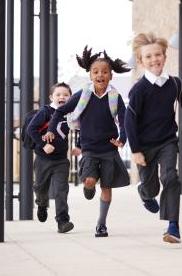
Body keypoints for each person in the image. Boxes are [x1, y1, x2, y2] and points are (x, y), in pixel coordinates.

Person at [125, 32, 182, 244]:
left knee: (171, 177)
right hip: (143, 146)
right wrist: (135, 151)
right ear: (142, 62)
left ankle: (173, 226)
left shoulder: (175, 84)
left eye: (157, 55)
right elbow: (129, 121)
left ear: (164, 56)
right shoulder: (138, 90)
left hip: (167, 142)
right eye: (149, 57)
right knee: (151, 187)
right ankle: (144, 192)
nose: (154, 59)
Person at [44, 46, 130, 238]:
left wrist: (122, 138)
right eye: (96, 72)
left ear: (111, 76)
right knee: (90, 180)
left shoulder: (115, 96)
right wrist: (51, 129)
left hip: (109, 148)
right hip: (89, 148)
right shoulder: (83, 94)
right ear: (90, 75)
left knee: (106, 187)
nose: (100, 75)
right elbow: (60, 111)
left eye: (105, 72)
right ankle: (88, 186)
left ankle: (101, 224)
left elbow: (124, 120)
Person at [27, 82, 78, 234]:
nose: (62, 97)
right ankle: (42, 204)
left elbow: (83, 127)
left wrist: (80, 145)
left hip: (61, 160)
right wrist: (43, 145)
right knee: (40, 187)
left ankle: (62, 221)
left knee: (61, 190)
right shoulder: (45, 111)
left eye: (66, 95)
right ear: (51, 97)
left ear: (71, 97)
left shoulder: (71, 113)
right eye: (58, 94)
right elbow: (31, 129)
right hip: (43, 158)